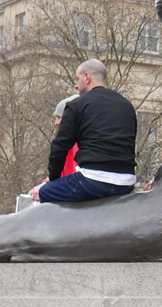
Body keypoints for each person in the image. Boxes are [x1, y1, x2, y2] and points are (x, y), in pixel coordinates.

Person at [28, 59, 137, 203]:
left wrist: (53, 181)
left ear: (87, 77)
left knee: (38, 193)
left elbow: (59, 147)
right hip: (126, 183)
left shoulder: (77, 105)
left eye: (77, 79)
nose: (76, 85)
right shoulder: (127, 105)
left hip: (92, 182)